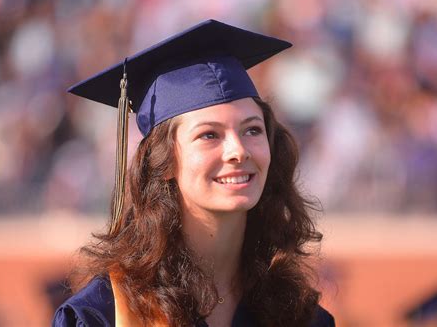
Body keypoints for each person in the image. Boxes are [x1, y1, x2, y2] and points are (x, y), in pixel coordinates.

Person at [53, 19, 335, 327]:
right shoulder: (105, 315)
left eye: (252, 130)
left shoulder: (300, 317)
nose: (238, 151)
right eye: (210, 135)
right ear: (163, 162)